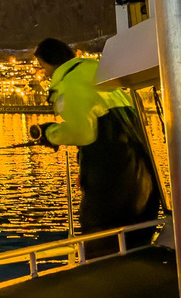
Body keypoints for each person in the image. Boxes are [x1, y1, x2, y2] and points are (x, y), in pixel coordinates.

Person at [31, 38, 160, 257]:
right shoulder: (97, 73)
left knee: (103, 247)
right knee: (135, 243)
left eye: (43, 67)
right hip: (141, 175)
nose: (44, 73)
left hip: (112, 182)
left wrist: (51, 133)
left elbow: (83, 132)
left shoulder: (69, 85)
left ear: (51, 63)